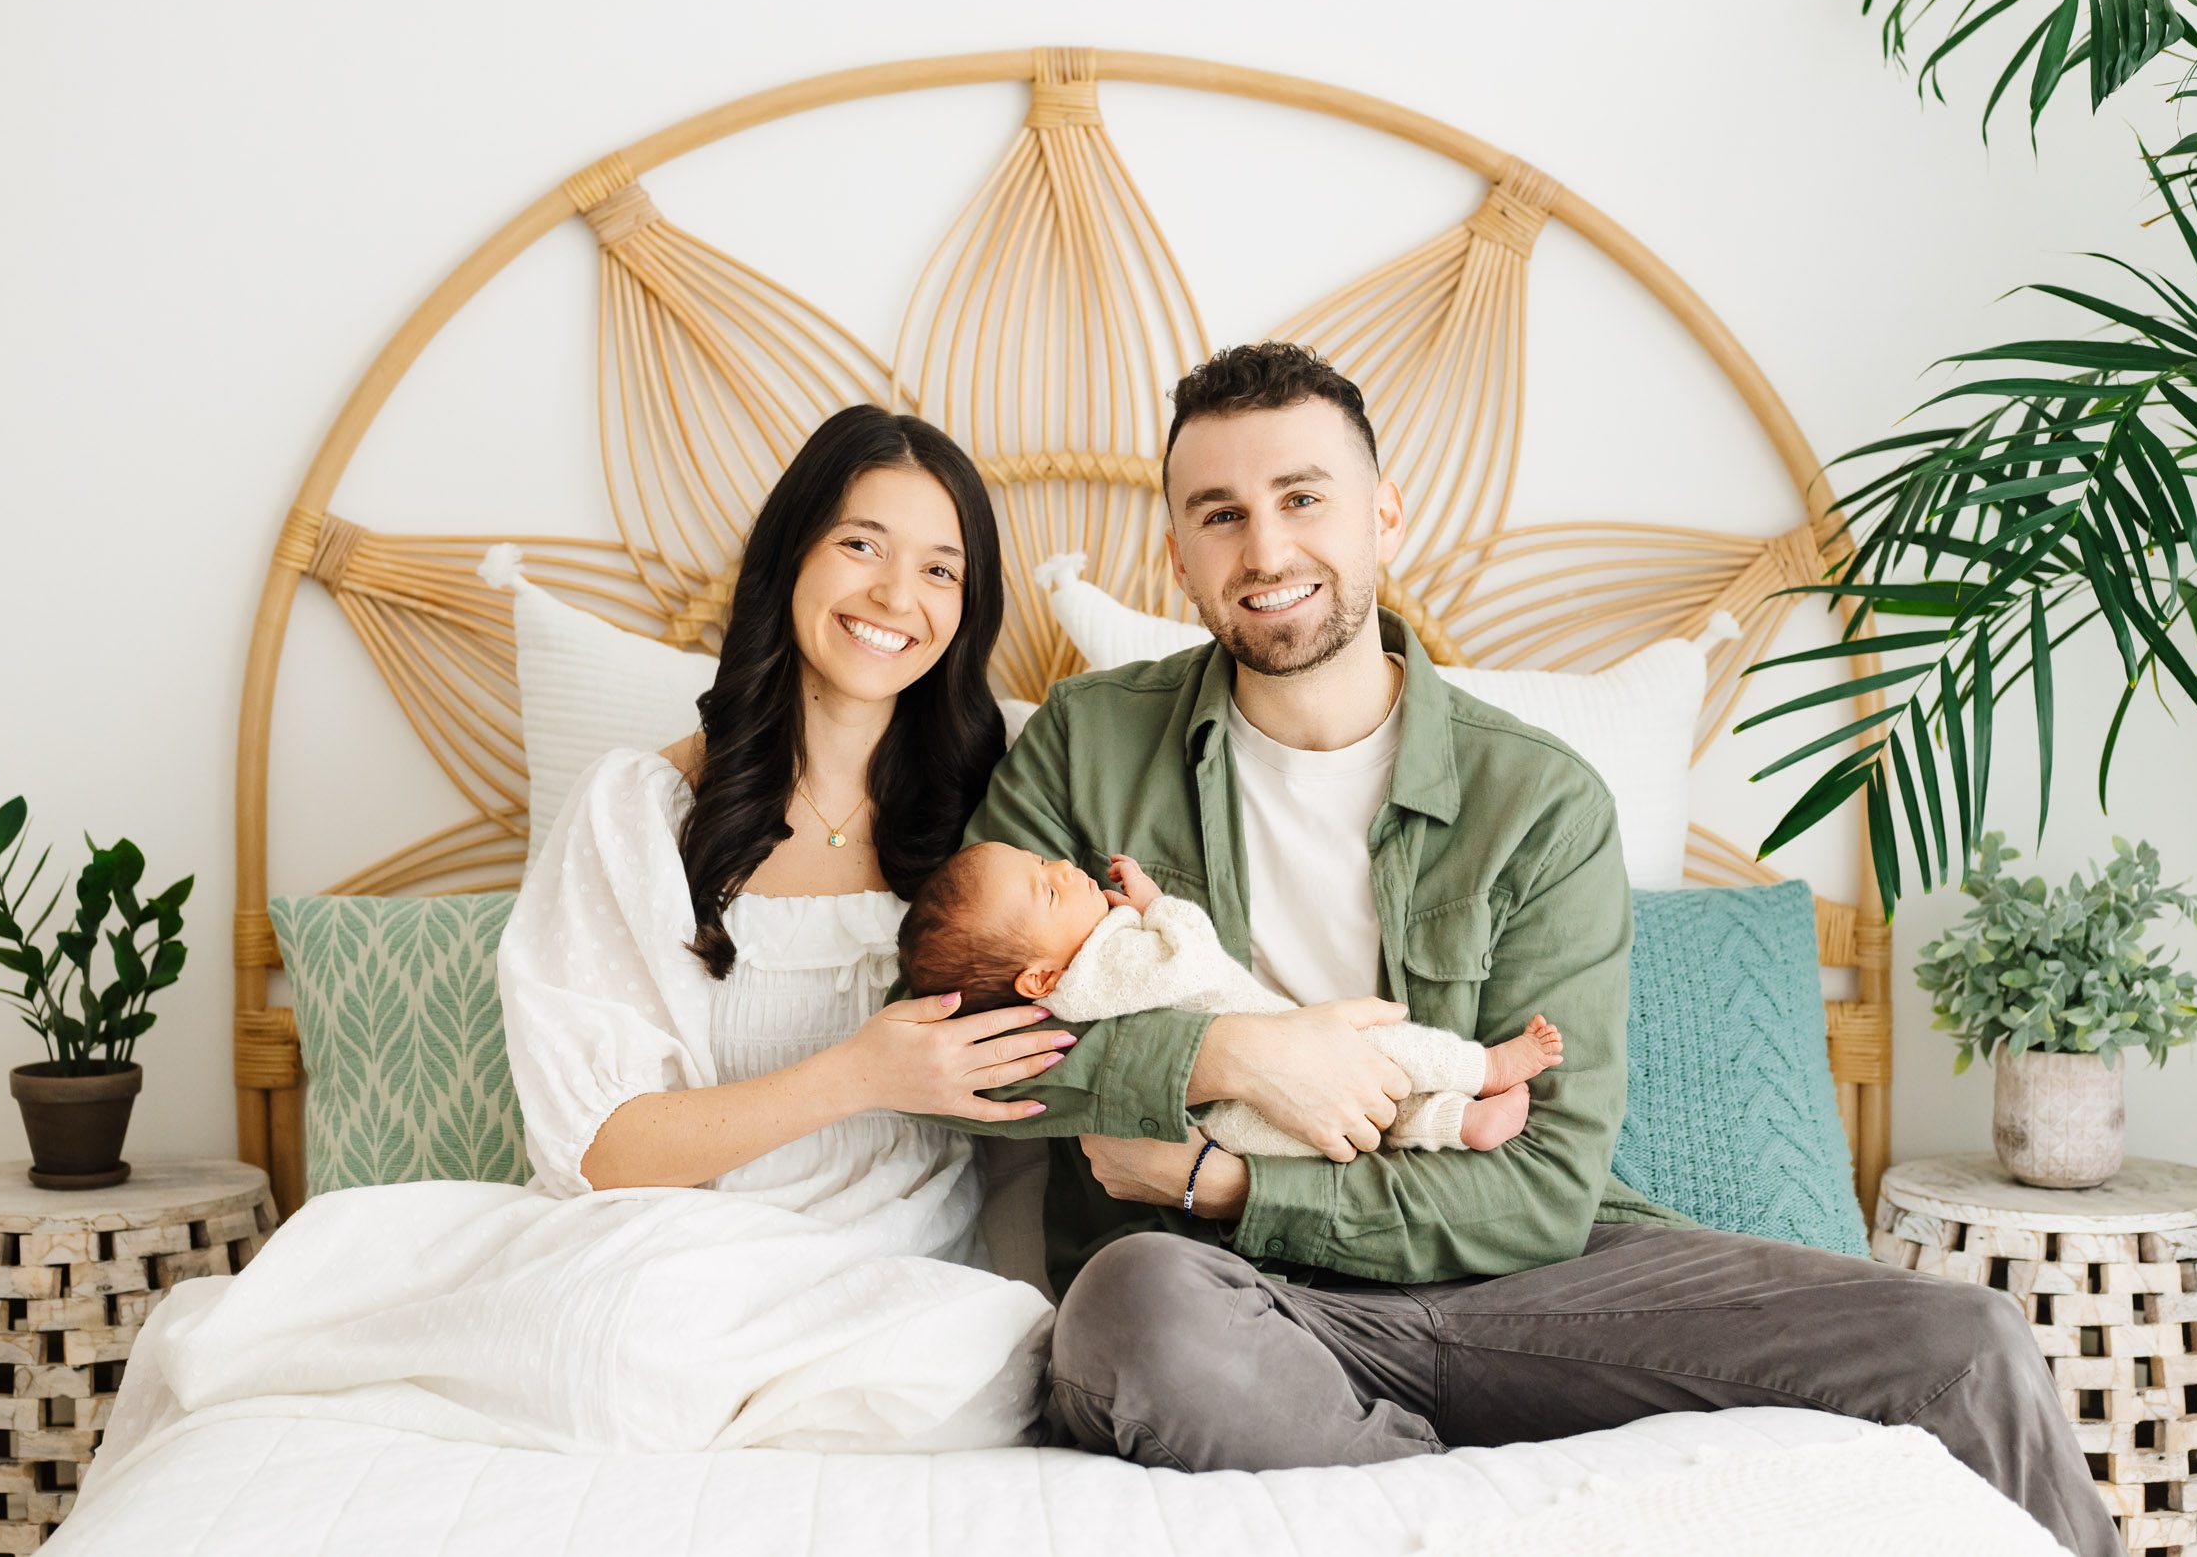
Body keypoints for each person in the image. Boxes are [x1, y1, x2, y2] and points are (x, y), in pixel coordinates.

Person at [902, 343, 2122, 1557]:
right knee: (1130, 1312)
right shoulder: (1088, 744)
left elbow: (1542, 1184)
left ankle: (1397, 1469)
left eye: (1303, 497)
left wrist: (1228, 1180)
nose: (1265, 550)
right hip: (1236, 1296)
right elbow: (968, 1048)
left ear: (1383, 514)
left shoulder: (1539, 799)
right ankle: (1455, 1494)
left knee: (1963, 1343)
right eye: (1220, 514)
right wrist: (1235, 1055)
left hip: (1526, 1284)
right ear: (1178, 553)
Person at [100, 405, 1076, 1467]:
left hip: (900, 1272)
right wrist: (858, 1073)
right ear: (791, 555)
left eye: (940, 569)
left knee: (972, 1374)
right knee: (608, 1350)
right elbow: (603, 1149)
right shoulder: (641, 813)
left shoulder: (1008, 807)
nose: (895, 595)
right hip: (675, 1258)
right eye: (861, 545)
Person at [896, 841, 1564, 1154]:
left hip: (1229, 1127)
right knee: (1384, 1048)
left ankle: (1458, 1124)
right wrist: (1155, 905)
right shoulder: (1107, 959)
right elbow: (1189, 958)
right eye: (1048, 889)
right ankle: (1483, 1068)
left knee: (1369, 1126)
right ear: (1039, 980)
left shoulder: (1069, 994)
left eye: (1046, 862)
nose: (1066, 870)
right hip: (1269, 1045)